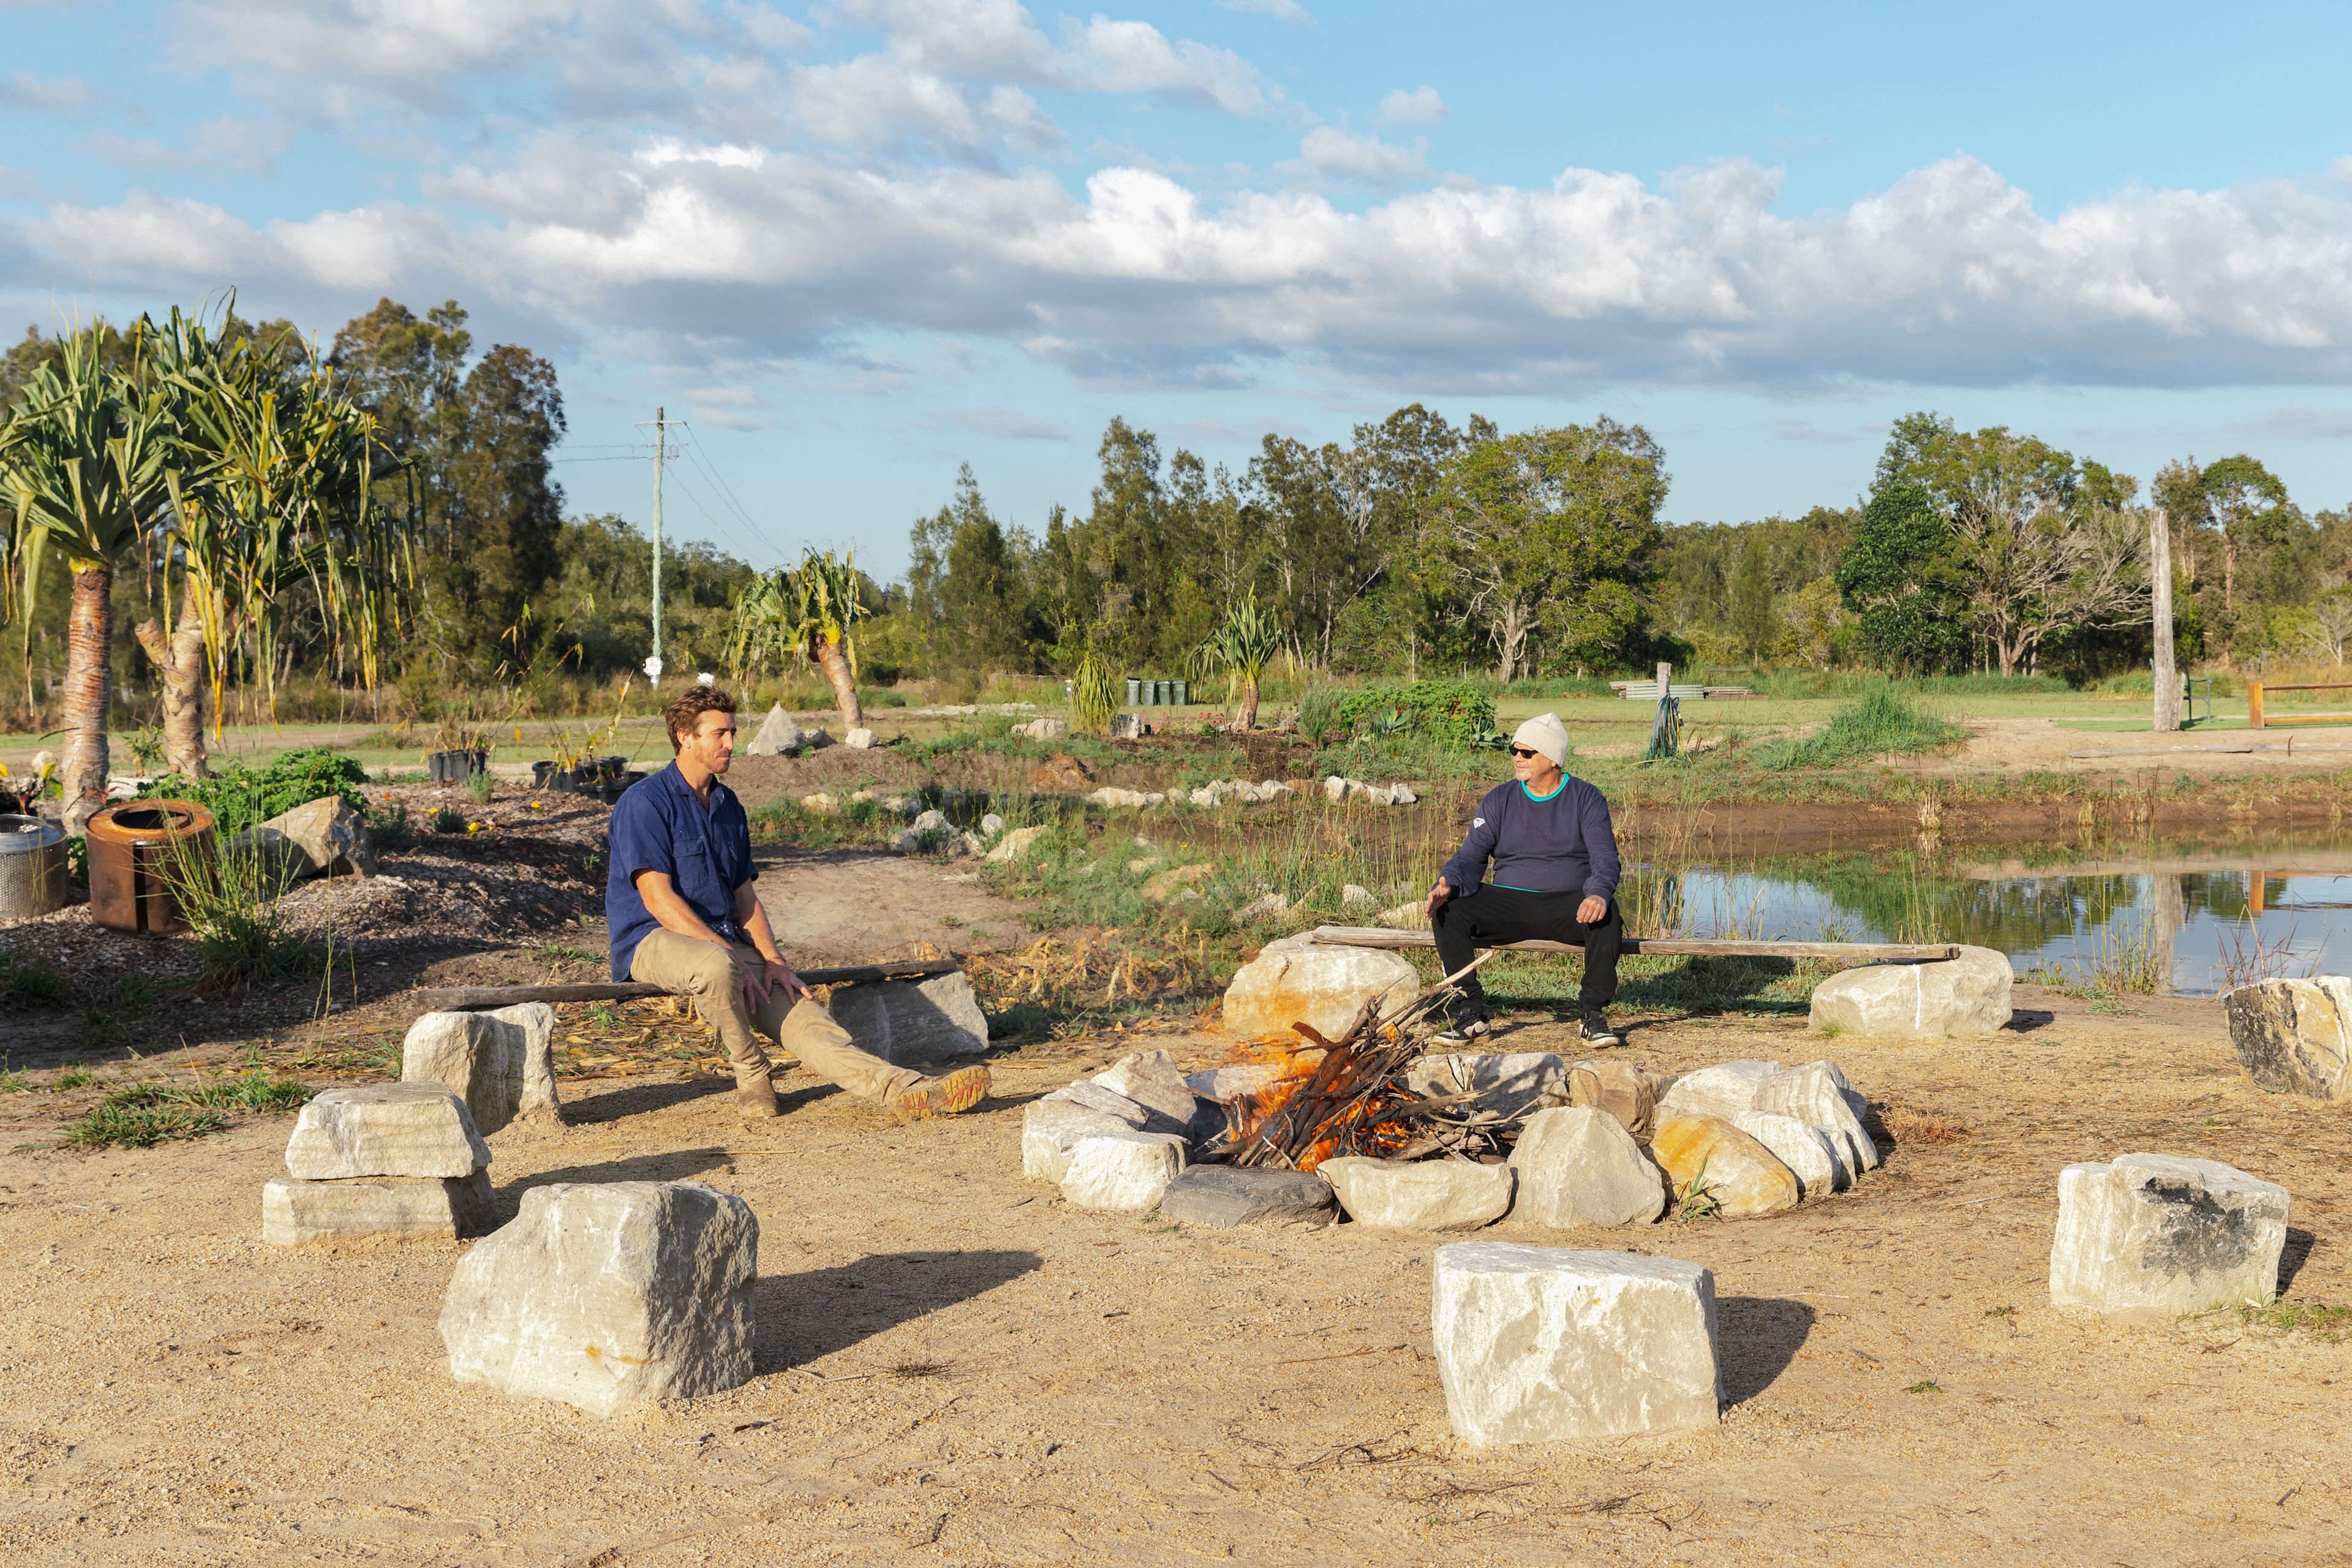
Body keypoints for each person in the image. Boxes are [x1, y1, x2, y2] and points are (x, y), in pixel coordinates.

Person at [605, 685, 991, 1121]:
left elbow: (743, 894)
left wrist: (772, 960)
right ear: (684, 737)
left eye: (733, 732)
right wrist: (725, 952)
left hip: (724, 945)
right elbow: (657, 898)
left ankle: (904, 1089)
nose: (732, 743)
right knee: (715, 966)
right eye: (720, 734)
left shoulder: (728, 805)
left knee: (809, 1020)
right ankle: (752, 1074)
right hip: (654, 940)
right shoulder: (644, 803)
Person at [1423, 711, 1626, 1048]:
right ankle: (1470, 1014)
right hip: (1509, 902)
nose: (1517, 757)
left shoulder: (1587, 798)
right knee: (1449, 909)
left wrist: (1599, 895)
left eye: (1527, 752)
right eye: (1514, 750)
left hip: (1568, 903)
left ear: (1553, 759)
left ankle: (1592, 1015)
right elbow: (1470, 857)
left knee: (1608, 914)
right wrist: (1447, 883)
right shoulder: (1499, 798)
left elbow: (1605, 859)